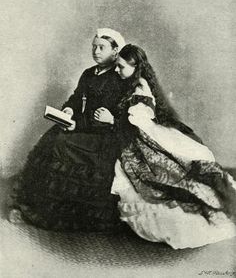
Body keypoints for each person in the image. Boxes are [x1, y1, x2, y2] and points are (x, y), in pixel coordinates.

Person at [98, 44, 236, 249]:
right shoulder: (133, 84)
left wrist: (112, 121)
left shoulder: (140, 89)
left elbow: (140, 126)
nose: (117, 70)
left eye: (121, 67)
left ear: (135, 67)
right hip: (142, 133)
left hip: (142, 137)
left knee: (161, 179)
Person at [9, 28, 129, 232]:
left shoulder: (117, 80)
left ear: (115, 51)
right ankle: (27, 203)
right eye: (94, 47)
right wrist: (69, 109)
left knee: (62, 143)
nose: (96, 51)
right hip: (84, 125)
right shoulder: (89, 73)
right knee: (52, 135)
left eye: (102, 47)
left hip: (102, 134)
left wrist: (78, 125)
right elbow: (76, 97)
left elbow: (106, 116)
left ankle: (48, 211)